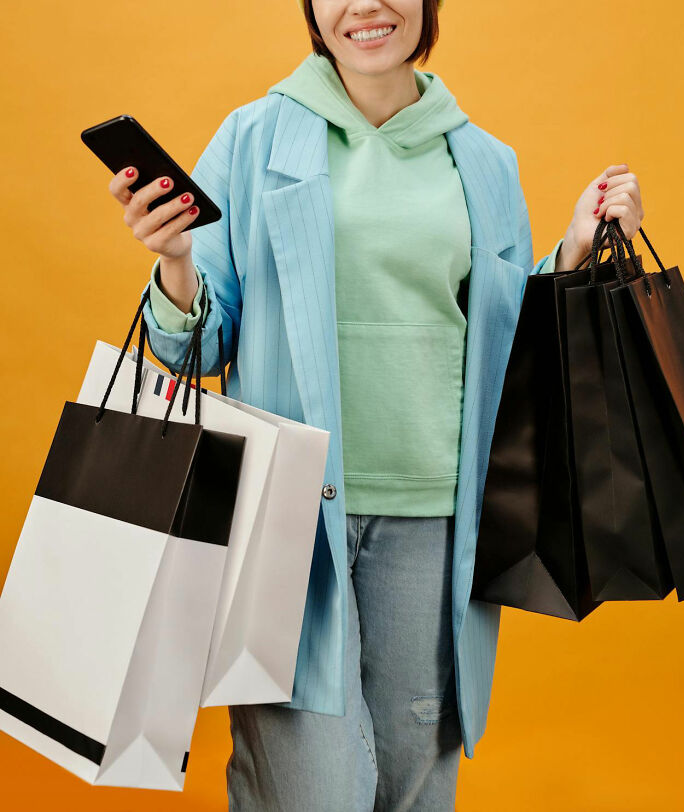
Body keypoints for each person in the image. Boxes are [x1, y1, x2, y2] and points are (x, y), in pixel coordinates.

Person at [108, 1, 644, 808]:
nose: (365, 6)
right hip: (286, 522)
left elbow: (504, 348)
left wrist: (571, 251)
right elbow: (197, 347)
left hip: (434, 520)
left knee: (412, 786)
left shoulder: (483, 161)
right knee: (312, 790)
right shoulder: (253, 141)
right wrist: (178, 259)